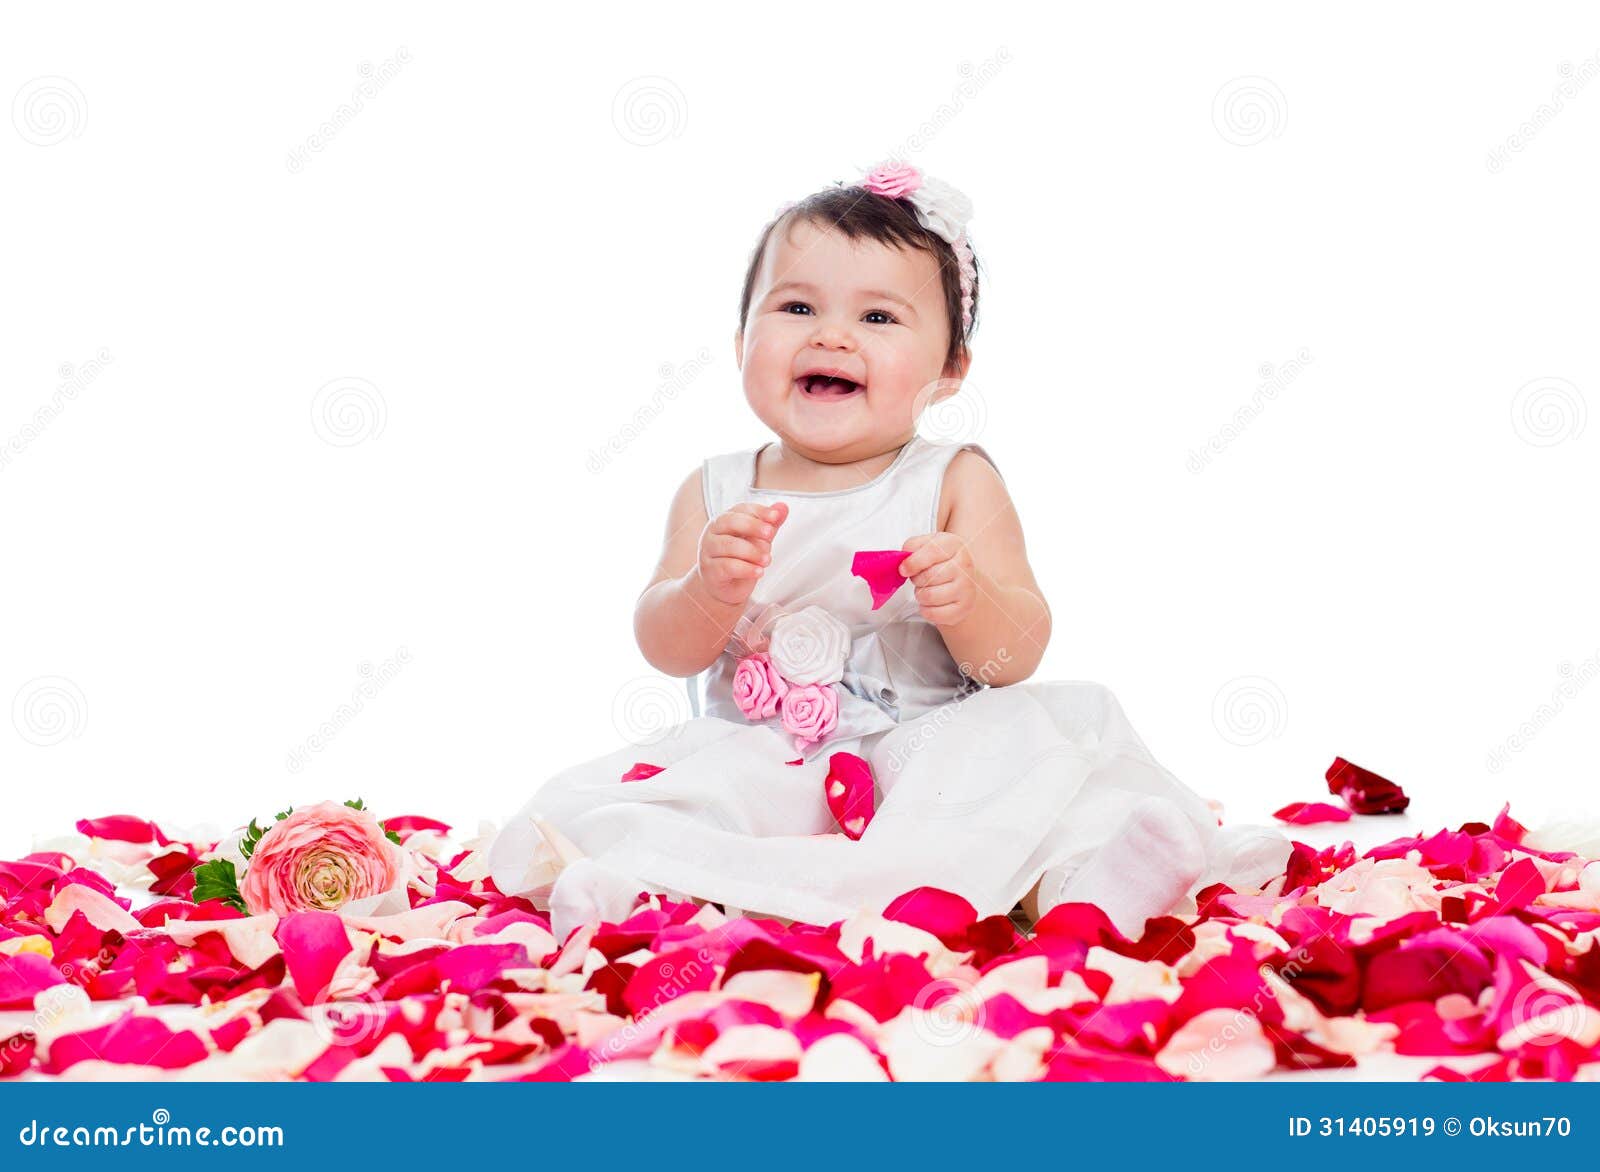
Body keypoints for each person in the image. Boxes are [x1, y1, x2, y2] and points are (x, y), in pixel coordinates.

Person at [489, 162, 1291, 941]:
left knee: (1030, 761)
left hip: (926, 757)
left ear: (949, 371)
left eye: (878, 318)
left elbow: (1020, 651)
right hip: (767, 761)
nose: (833, 335)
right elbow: (664, 646)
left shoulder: (953, 480)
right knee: (682, 803)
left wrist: (972, 600)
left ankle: (1091, 887)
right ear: (741, 343)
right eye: (797, 307)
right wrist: (706, 586)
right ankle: (638, 894)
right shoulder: (714, 492)